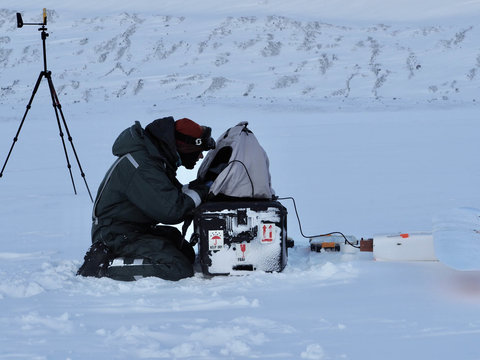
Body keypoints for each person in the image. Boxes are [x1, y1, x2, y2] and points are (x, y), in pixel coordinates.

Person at [77, 116, 215, 281]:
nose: (200, 157)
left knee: (184, 250)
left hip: (134, 229)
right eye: (198, 151)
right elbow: (171, 210)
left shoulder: (156, 157)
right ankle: (102, 266)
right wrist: (203, 190)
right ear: (184, 147)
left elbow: (171, 194)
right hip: (115, 234)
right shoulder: (143, 165)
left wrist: (201, 187)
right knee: (178, 267)